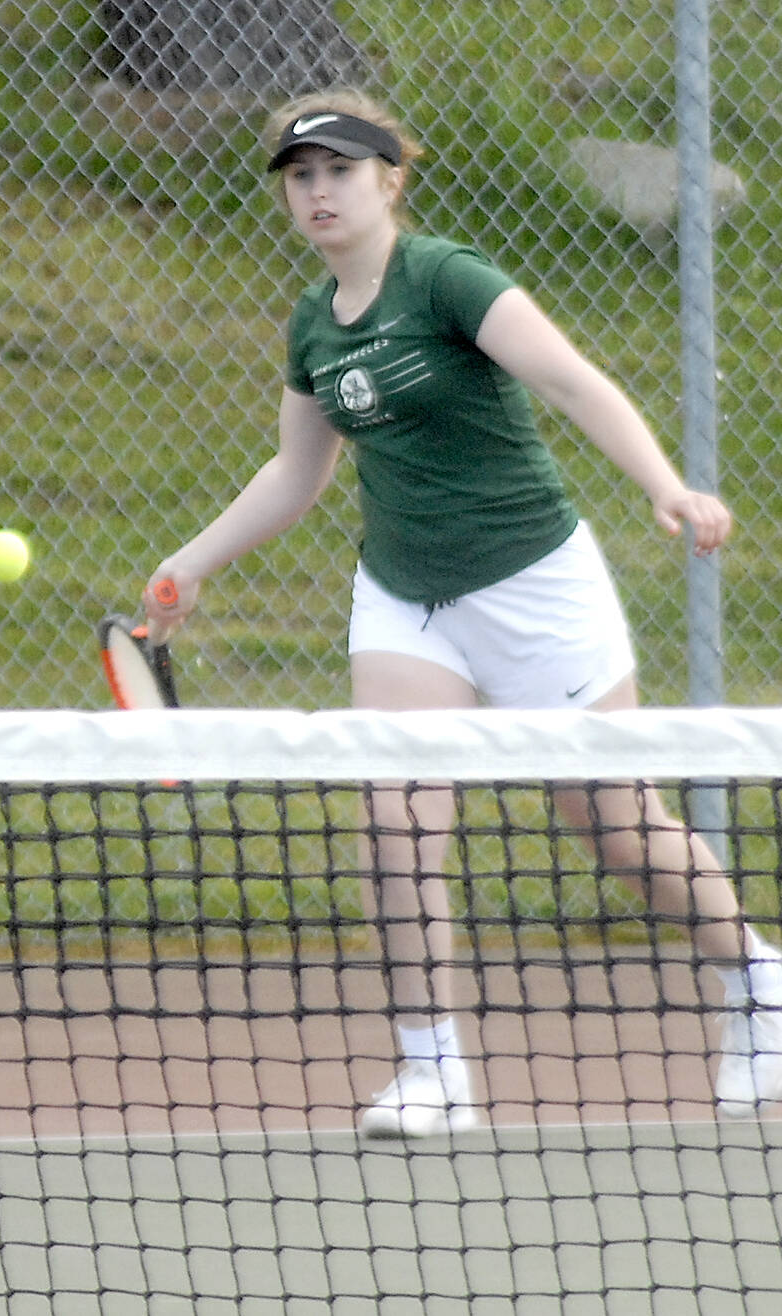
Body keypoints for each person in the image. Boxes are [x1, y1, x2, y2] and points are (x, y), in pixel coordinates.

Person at [141, 89, 782, 1138]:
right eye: (300, 175)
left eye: (340, 169)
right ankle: (433, 1067)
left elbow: (575, 383)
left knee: (618, 830)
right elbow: (297, 474)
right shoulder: (314, 324)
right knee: (393, 820)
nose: (318, 190)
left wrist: (666, 486)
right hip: (406, 595)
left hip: (533, 584)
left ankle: (761, 982)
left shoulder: (447, 278)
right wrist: (191, 560)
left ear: (389, 176)